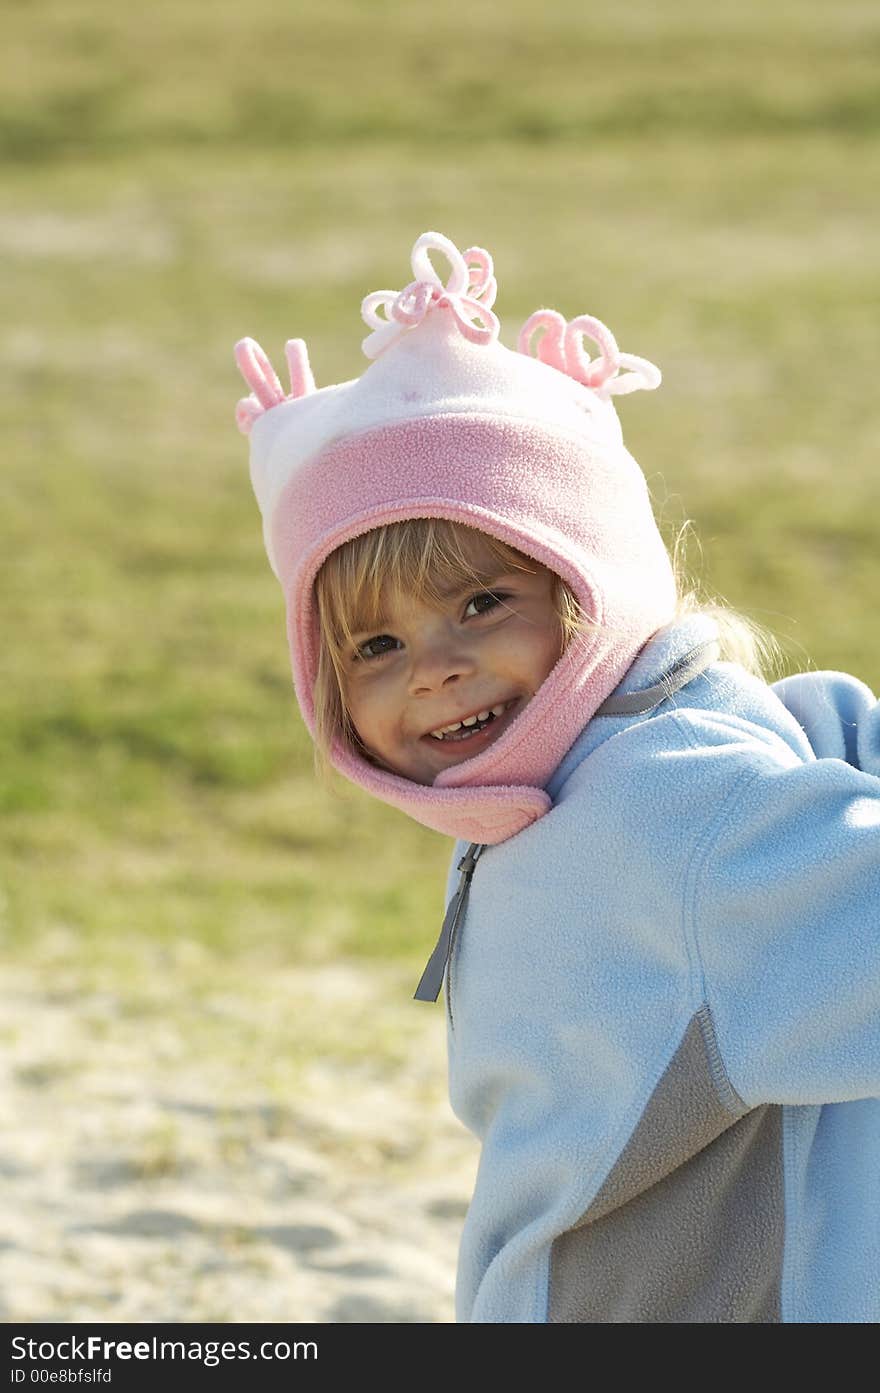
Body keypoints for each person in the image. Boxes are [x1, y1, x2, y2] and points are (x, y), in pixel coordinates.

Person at [233, 230, 880, 1323]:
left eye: (483, 603)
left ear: (595, 588)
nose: (436, 668)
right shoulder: (551, 777)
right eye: (373, 649)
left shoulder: (670, 808)